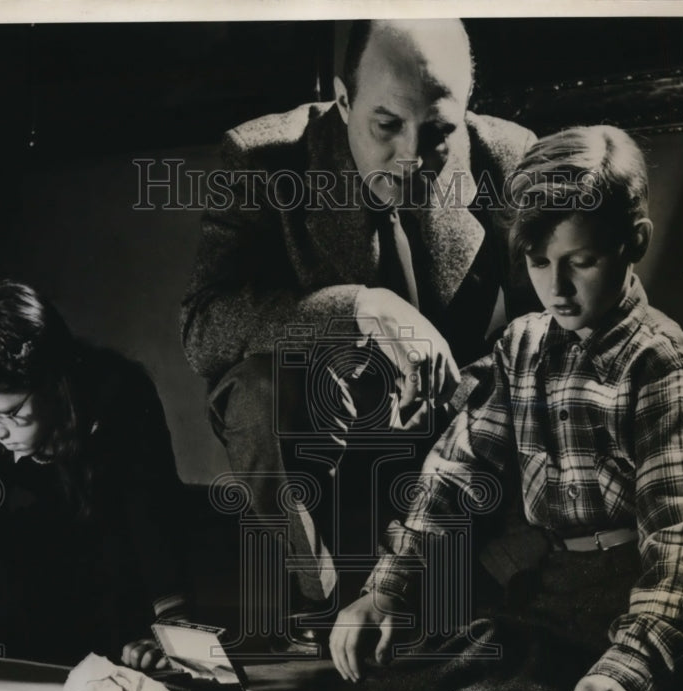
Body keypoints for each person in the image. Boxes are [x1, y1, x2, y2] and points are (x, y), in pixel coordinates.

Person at [329, 125, 683, 691]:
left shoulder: (665, 368)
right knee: (383, 666)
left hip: (639, 594)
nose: (556, 288)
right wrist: (385, 590)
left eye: (580, 262)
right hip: (551, 604)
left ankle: (620, 690)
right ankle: (567, 690)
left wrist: (630, 664)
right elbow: (454, 473)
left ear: (633, 242)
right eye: (537, 263)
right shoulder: (523, 343)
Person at [180, 19, 540, 636]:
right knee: (263, 388)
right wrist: (353, 307)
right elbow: (203, 327)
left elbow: (546, 329)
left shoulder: (509, 157)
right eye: (387, 126)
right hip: (325, 433)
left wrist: (476, 392)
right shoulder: (265, 158)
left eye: (438, 132)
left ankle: (475, 595)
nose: (411, 157)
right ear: (344, 100)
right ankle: (314, 595)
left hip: (455, 434)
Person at [0, 280, 192, 667]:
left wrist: (175, 636)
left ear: (52, 382)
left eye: (9, 413)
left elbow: (153, 522)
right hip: (22, 628)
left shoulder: (120, 396)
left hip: (116, 618)